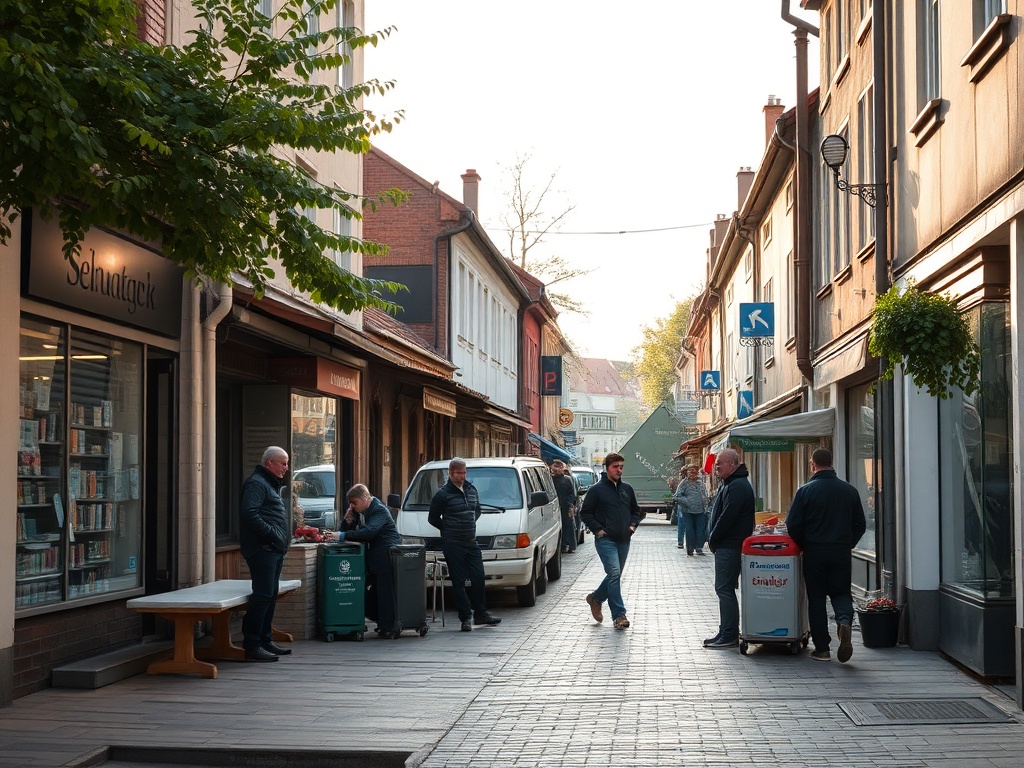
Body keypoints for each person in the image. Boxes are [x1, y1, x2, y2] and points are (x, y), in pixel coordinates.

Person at [786, 448, 867, 663]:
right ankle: (844, 621)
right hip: (840, 551)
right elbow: (860, 523)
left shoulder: (805, 491)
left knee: (817, 598)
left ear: (813, 465)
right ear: (832, 463)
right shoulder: (849, 491)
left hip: (814, 551)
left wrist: (804, 544)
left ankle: (822, 649)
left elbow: (793, 524)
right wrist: (848, 543)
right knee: (841, 593)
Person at [428, 458, 501, 632]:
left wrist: (468, 524)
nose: (462, 476)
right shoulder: (443, 494)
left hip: (470, 542)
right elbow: (432, 518)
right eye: (459, 473)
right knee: (458, 581)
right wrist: (448, 529)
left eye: (464, 472)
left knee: (478, 577)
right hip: (453, 544)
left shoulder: (471, 490)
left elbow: (477, 510)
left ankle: (481, 614)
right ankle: (465, 618)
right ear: (450, 473)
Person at [323, 484, 403, 638]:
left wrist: (340, 535)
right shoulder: (360, 511)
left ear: (365, 498)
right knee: (370, 594)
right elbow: (347, 532)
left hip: (385, 557)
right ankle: (382, 622)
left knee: (384, 593)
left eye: (355, 502)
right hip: (371, 559)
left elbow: (368, 532)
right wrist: (347, 521)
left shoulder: (379, 510)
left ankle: (389, 626)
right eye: (350, 504)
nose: (353, 506)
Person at [238, 446, 293, 662]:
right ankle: (252, 645)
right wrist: (273, 535)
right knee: (262, 596)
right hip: (263, 549)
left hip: (273, 549)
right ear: (270, 463)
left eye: (287, 464)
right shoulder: (257, 483)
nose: (286, 468)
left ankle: (265, 640)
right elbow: (249, 513)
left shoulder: (267, 483)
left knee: (270, 595)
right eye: (283, 463)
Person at [579, 452, 642, 630]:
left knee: (615, 575)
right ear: (607, 468)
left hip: (624, 539)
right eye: (615, 467)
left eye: (621, 467)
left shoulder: (627, 489)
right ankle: (619, 615)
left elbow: (636, 511)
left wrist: (632, 526)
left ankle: (596, 598)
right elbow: (585, 513)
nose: (619, 470)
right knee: (614, 574)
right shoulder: (596, 490)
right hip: (606, 540)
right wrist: (598, 529)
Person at [704, 448, 755, 649]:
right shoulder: (731, 483)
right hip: (728, 544)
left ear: (733, 464)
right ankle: (725, 630)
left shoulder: (737, 486)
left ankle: (729, 634)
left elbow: (728, 516)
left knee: (724, 589)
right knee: (725, 589)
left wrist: (713, 537)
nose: (716, 466)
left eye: (720, 463)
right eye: (716, 463)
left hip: (730, 545)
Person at [673, 464, 708, 555]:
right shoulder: (683, 484)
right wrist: (687, 502)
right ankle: (690, 548)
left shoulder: (701, 484)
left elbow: (705, 496)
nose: (692, 473)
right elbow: (677, 496)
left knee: (700, 530)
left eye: (694, 471)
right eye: (690, 471)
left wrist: (706, 507)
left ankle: (699, 547)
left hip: (700, 511)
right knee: (689, 530)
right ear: (687, 472)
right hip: (687, 511)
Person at [550, 460, 577, 554]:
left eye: (560, 467)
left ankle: (568, 545)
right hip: (554, 507)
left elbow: (571, 494)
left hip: (565, 506)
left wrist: (571, 505)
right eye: (556, 466)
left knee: (568, 525)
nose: (558, 469)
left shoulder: (567, 479)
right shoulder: (550, 479)